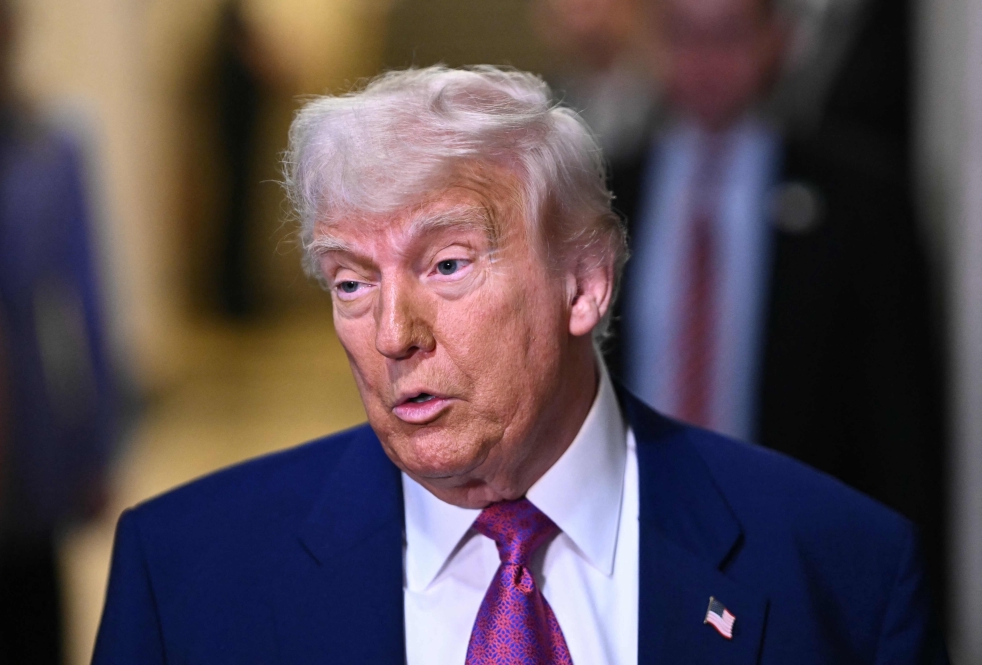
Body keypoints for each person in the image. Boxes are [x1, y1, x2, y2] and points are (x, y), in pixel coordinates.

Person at [93, 66, 946, 664]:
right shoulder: (185, 578)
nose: (394, 333)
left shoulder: (844, 574)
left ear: (584, 284)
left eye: (448, 264)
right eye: (351, 280)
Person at [606, 0, 946, 603]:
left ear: (777, 40)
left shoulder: (860, 202)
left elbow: (902, 424)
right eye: (685, 35)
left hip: (801, 558)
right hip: (634, 550)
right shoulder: (602, 196)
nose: (707, 61)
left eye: (730, 35)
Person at [0, 1, 118, 662]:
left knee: (28, 612)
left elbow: (84, 304)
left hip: (25, 431)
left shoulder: (49, 147)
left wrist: (93, 445)